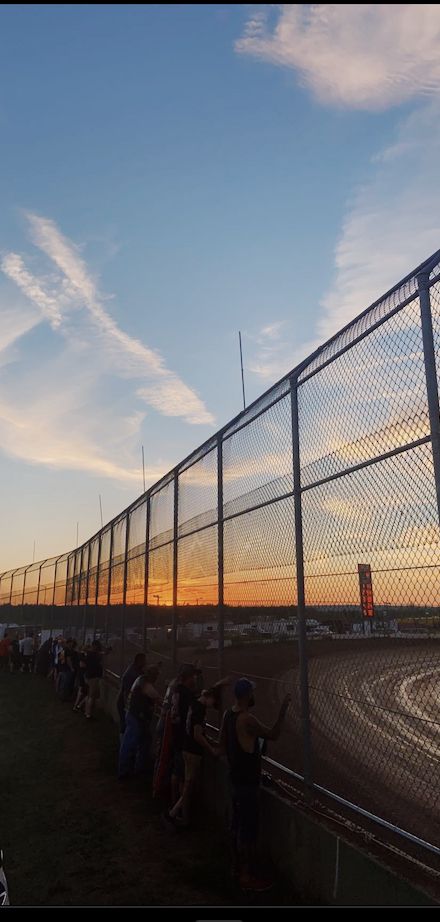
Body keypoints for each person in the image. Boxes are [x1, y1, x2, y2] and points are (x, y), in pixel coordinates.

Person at [219, 678, 291, 892]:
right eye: (252, 692)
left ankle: (236, 867)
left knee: (236, 824)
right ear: (246, 695)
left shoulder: (228, 715)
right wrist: (284, 709)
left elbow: (223, 745)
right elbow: (273, 734)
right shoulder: (247, 719)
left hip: (234, 777)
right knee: (249, 830)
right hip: (247, 782)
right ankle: (246, 875)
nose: (254, 695)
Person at [164, 685, 221, 829]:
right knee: (188, 787)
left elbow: (210, 690)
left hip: (186, 747)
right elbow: (197, 735)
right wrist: (211, 749)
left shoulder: (195, 702)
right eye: (213, 702)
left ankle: (182, 816)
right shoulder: (199, 710)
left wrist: (221, 684)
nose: (212, 706)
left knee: (188, 784)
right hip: (193, 751)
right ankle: (174, 814)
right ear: (209, 697)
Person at [118, 667, 161, 778]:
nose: (157, 678)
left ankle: (140, 767)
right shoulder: (144, 683)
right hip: (135, 716)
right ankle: (124, 770)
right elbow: (156, 696)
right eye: (156, 675)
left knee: (145, 740)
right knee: (130, 742)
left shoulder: (141, 680)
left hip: (137, 716)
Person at [116, 653, 147, 736]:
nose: (145, 662)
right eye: (144, 660)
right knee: (125, 726)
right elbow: (126, 692)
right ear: (139, 661)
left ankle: (125, 745)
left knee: (129, 726)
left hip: (129, 703)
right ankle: (123, 745)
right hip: (125, 703)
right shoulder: (131, 673)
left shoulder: (136, 669)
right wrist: (128, 707)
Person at [84, 640, 111, 719]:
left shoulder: (89, 653)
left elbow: (102, 653)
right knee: (91, 696)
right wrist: (107, 651)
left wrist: (107, 650)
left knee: (89, 695)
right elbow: (102, 653)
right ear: (95, 646)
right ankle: (88, 714)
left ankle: (86, 711)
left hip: (89, 676)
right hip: (93, 677)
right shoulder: (93, 654)